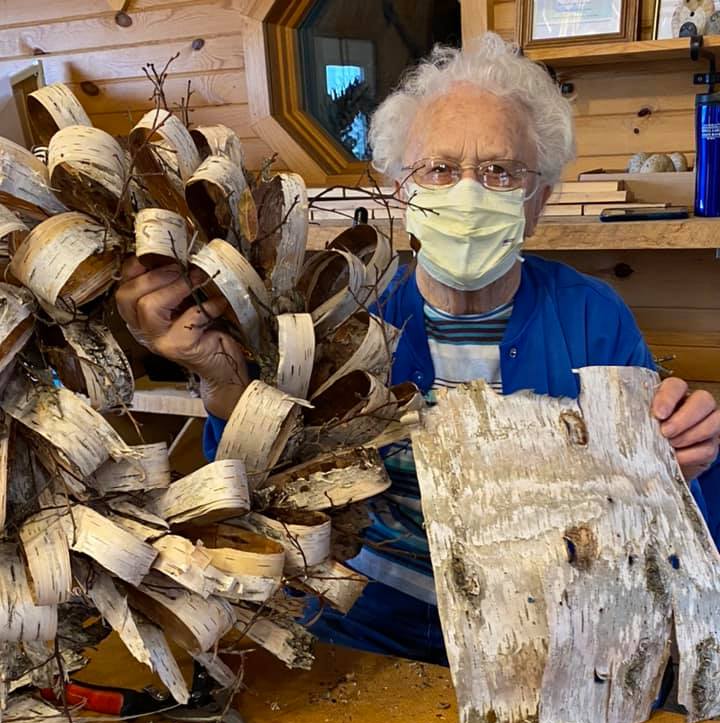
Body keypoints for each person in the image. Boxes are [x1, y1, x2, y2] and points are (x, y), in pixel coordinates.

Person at [116, 34, 720, 666]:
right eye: (439, 169)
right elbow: (256, 490)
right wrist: (225, 387)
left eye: (501, 171)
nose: (469, 193)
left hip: (544, 635)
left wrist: (679, 459)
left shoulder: (592, 314)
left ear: (537, 200)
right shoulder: (341, 312)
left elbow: (654, 498)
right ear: (401, 190)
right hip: (365, 631)